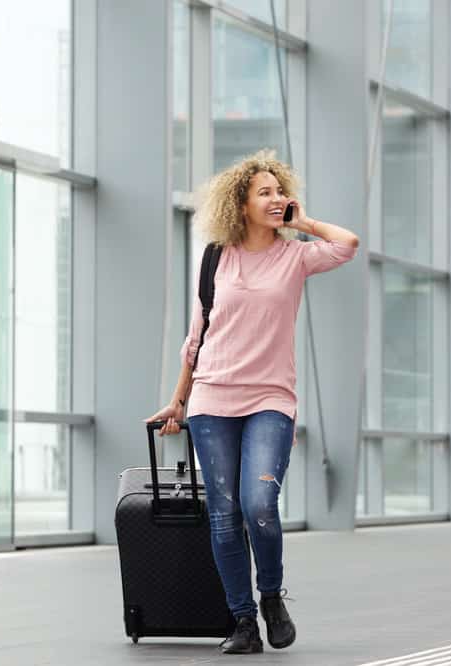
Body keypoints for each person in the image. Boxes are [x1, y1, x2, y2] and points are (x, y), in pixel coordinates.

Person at [146, 150, 359, 654]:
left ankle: (270, 597)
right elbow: (198, 334)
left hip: (270, 398)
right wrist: (179, 400)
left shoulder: (296, 256)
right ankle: (241, 621)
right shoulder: (216, 256)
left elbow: (347, 244)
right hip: (211, 398)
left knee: (259, 505)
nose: (275, 198)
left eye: (278, 191)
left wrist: (302, 221)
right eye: (263, 192)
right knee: (223, 513)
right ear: (239, 204)